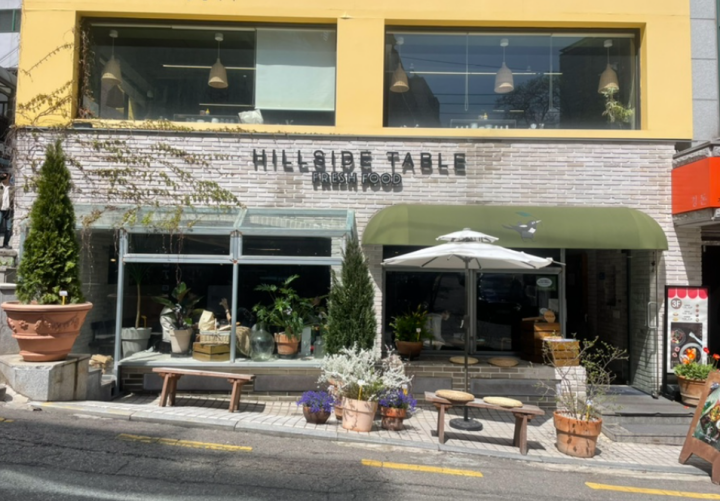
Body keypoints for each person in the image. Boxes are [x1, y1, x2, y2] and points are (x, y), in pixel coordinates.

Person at [0, 173, 12, 249]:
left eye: (5, 176)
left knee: (8, 228)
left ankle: (6, 243)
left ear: (8, 177)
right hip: (0, 209)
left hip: (8, 210)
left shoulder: (12, 187)